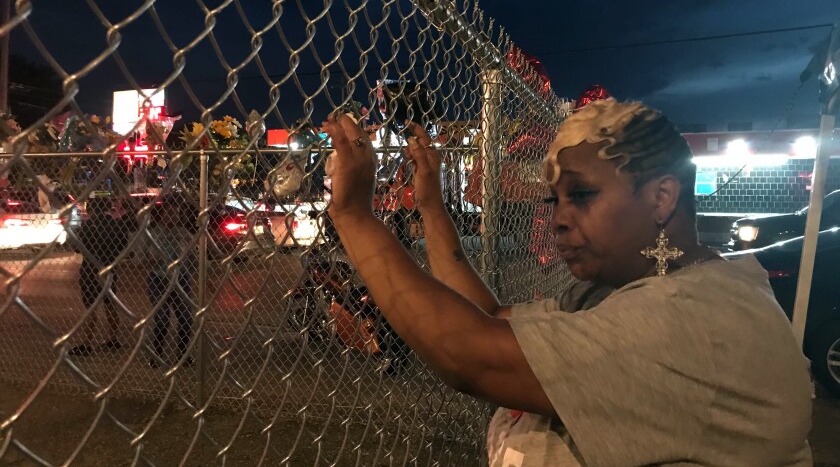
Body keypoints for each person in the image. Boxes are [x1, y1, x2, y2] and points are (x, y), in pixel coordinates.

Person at [321, 98, 813, 466]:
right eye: (554, 200)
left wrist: (352, 215)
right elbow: (488, 319)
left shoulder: (697, 321)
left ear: (662, 197)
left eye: (582, 194)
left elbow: (467, 354)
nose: (560, 219)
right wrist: (430, 205)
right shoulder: (641, 289)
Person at [70, 197, 133, 356]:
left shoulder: (86, 227)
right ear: (108, 208)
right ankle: (113, 338)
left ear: (90, 209)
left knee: (90, 306)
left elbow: (77, 248)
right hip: (110, 267)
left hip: (90, 269)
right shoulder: (117, 226)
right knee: (110, 303)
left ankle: (86, 343)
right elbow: (124, 247)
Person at [144, 197, 196, 368]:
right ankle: (156, 355)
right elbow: (142, 261)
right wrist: (153, 259)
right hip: (158, 279)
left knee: (186, 319)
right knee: (162, 319)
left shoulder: (184, 234)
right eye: (170, 213)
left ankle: (183, 356)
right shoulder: (153, 233)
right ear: (162, 215)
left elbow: (194, 258)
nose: (173, 217)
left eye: (176, 214)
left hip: (181, 279)